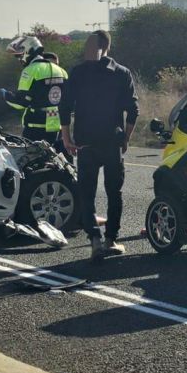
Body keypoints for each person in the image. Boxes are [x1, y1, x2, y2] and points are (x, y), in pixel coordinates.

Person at [60, 30, 138, 262]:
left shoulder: (78, 72)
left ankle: (94, 239)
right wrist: (126, 138)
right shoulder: (122, 73)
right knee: (115, 192)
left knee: (87, 193)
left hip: (85, 141)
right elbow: (133, 110)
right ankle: (111, 239)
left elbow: (64, 107)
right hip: (112, 142)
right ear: (108, 47)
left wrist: (66, 138)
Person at [0, 36, 67, 149]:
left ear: (28, 51)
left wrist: (6, 95)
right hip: (57, 128)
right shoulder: (61, 71)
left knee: (32, 161)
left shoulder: (30, 70)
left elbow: (20, 103)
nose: (19, 59)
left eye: (20, 55)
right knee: (56, 162)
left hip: (35, 128)